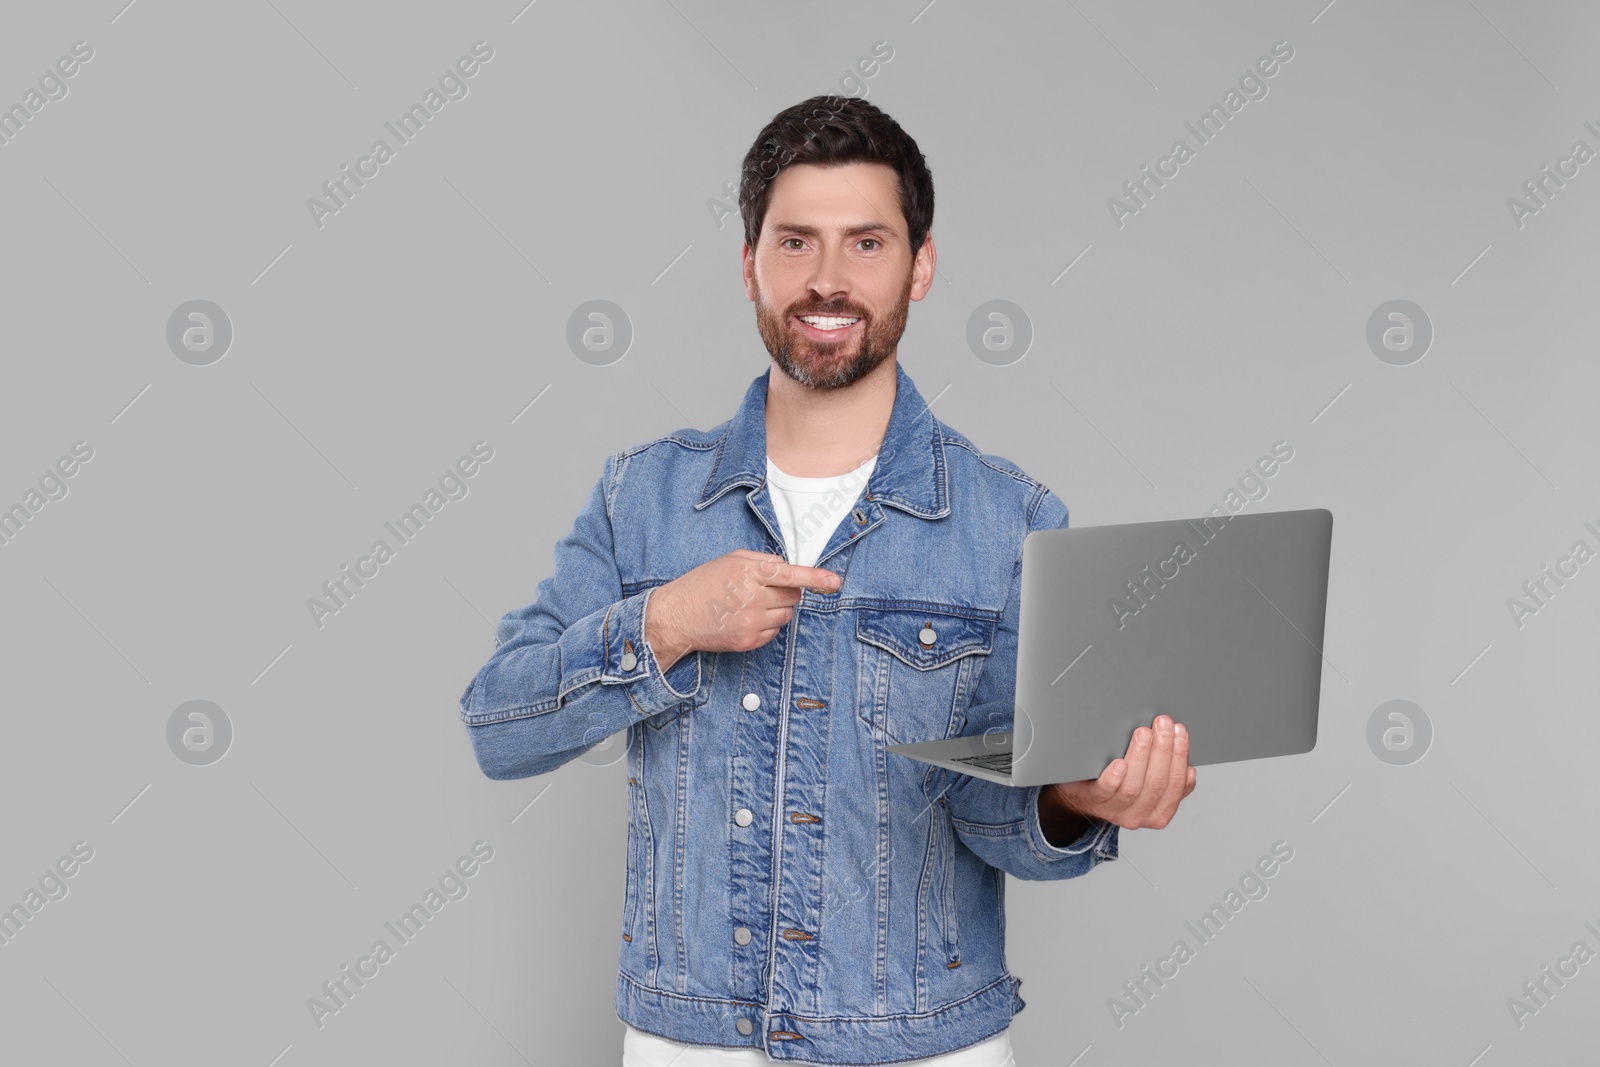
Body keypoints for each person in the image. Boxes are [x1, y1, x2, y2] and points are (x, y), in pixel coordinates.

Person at [459, 95, 1196, 1066]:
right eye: (795, 242)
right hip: (692, 1042)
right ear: (748, 264)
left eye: (866, 244)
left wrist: (1076, 800)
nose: (827, 280)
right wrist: (669, 619)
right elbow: (501, 725)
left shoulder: (1011, 518)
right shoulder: (643, 495)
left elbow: (990, 817)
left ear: (919, 265)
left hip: (925, 1044)